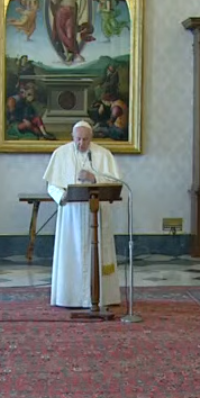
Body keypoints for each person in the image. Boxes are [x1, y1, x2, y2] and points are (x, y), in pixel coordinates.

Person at [43, 120, 122, 308]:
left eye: (85, 139)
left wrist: (94, 178)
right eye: (78, 139)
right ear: (72, 136)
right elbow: (52, 185)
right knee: (73, 253)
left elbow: (115, 182)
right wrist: (62, 196)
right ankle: (70, 297)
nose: (81, 143)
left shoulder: (103, 155)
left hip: (97, 212)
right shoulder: (60, 154)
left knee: (100, 252)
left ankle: (101, 297)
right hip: (71, 215)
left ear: (91, 138)